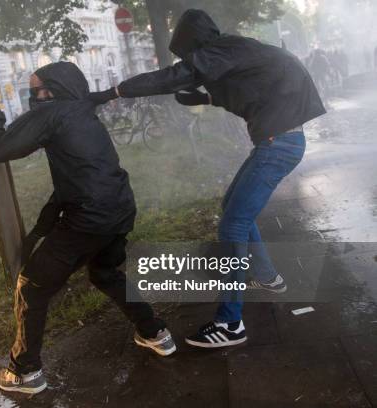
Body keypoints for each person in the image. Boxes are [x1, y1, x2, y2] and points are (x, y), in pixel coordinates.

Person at [91, 9, 326, 349]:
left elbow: (174, 76)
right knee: (233, 208)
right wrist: (207, 97)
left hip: (279, 144)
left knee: (232, 225)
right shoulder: (236, 49)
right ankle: (268, 277)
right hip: (279, 141)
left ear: (195, 41)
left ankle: (230, 323)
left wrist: (115, 91)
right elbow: (248, 93)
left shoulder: (223, 48)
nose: (189, 59)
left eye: (187, 52)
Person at [0, 61, 175, 395]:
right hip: (119, 208)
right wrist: (40, 230)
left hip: (89, 218)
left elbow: (0, 149)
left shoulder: (52, 112)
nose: (33, 98)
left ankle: (24, 371)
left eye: (35, 91)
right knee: (105, 273)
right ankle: (155, 332)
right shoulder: (81, 110)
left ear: (51, 91)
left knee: (31, 287)